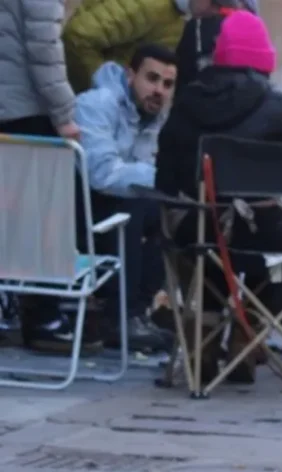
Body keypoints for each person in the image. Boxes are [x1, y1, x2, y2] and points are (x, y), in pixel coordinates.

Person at [155, 10, 282, 384]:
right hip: (260, 231)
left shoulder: (187, 100)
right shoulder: (277, 105)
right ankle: (245, 342)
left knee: (205, 249)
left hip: (195, 228)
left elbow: (166, 176)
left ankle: (204, 337)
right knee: (280, 251)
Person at [0, 0, 97, 352]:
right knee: (43, 216)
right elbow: (44, 50)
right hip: (24, 109)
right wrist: (64, 114)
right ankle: (44, 315)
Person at [74, 44, 178, 351]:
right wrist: (166, 177)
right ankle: (122, 316)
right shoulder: (96, 104)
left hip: (110, 213)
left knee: (174, 212)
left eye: (168, 84)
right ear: (130, 75)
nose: (159, 90)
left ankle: (137, 311)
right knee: (134, 206)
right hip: (72, 213)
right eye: (152, 78)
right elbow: (101, 174)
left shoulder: (157, 119)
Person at [62, 0, 189, 93]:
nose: (210, 12)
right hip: (78, 103)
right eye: (210, 2)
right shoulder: (150, 6)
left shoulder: (177, 15)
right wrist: (106, 90)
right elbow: (78, 36)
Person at [173, 0, 256, 96]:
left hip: (200, 101)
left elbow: (181, 74)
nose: (190, 2)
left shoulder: (197, 27)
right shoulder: (243, 27)